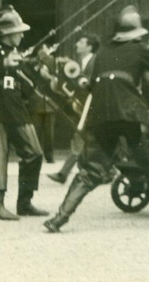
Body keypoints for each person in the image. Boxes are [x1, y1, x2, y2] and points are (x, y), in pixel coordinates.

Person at [44, 6, 149, 232]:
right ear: (138, 33)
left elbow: (91, 85)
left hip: (101, 115)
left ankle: (59, 218)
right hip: (130, 115)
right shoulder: (140, 49)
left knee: (91, 170)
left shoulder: (103, 52)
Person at [0, 5, 49, 220]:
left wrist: (38, 73)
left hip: (16, 109)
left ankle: (24, 202)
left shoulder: (17, 54)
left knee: (34, 152)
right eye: (19, 31)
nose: (23, 34)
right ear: (7, 33)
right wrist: (5, 63)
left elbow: (25, 85)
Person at [47, 33, 100, 184]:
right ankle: (64, 173)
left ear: (89, 47)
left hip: (92, 107)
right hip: (84, 107)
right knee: (83, 138)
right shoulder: (80, 63)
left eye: (81, 42)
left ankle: (64, 173)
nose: (77, 44)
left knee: (81, 137)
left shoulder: (94, 62)